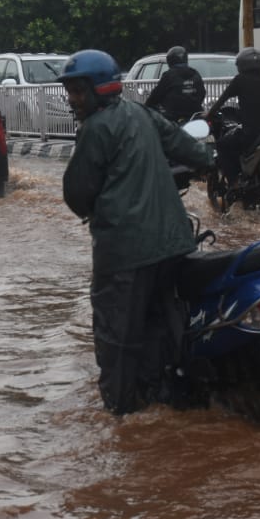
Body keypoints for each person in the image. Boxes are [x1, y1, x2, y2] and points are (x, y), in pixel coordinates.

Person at [60, 48, 214, 416]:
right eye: (70, 92)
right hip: (174, 246)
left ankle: (121, 416)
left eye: (78, 91)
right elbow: (188, 149)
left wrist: (93, 212)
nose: (72, 99)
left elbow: (77, 193)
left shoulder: (96, 128)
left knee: (117, 337)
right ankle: (170, 404)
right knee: (164, 326)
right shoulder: (142, 113)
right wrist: (212, 163)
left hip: (125, 253)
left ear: (99, 88)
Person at [205, 47, 260, 186]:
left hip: (251, 133)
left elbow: (221, 100)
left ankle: (234, 182)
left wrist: (208, 115)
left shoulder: (240, 80)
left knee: (222, 145)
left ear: (242, 64)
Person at [145, 45, 206, 124]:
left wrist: (147, 106)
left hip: (173, 117)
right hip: (194, 115)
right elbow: (202, 93)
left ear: (170, 60)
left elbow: (156, 95)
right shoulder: (195, 73)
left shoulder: (169, 75)